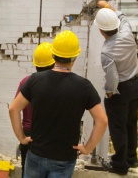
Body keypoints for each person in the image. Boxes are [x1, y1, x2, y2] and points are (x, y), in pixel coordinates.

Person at [9, 30, 108, 178]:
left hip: (37, 154)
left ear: (53, 55)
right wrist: (87, 148)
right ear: (74, 57)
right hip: (64, 157)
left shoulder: (34, 80)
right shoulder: (84, 86)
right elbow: (102, 120)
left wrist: (22, 138)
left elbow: (13, 109)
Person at [94, 1, 138, 175]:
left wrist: (109, 94)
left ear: (100, 30)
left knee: (118, 127)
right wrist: (108, 7)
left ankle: (120, 165)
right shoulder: (127, 32)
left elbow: (112, 78)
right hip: (137, 85)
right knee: (131, 123)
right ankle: (132, 158)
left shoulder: (107, 51)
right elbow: (122, 17)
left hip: (122, 90)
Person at [14, 42, 56, 177]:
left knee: (27, 171)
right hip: (49, 134)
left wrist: (21, 137)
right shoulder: (58, 84)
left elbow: (14, 108)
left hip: (28, 133)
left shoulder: (26, 82)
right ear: (54, 63)